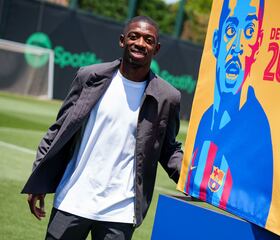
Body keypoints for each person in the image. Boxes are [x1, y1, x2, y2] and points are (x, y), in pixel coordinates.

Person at [22, 16, 183, 240]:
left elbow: (169, 149)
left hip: (120, 211)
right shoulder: (89, 77)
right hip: (72, 199)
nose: (139, 43)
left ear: (156, 49)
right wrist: (38, 179)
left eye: (148, 40)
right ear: (122, 40)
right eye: (133, 36)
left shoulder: (168, 97)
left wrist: (194, 180)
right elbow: (58, 130)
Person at [183, 0, 273, 227]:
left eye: (249, 32)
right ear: (216, 42)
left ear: (258, 45)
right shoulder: (204, 120)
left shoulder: (258, 133)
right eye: (232, 30)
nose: (238, 45)